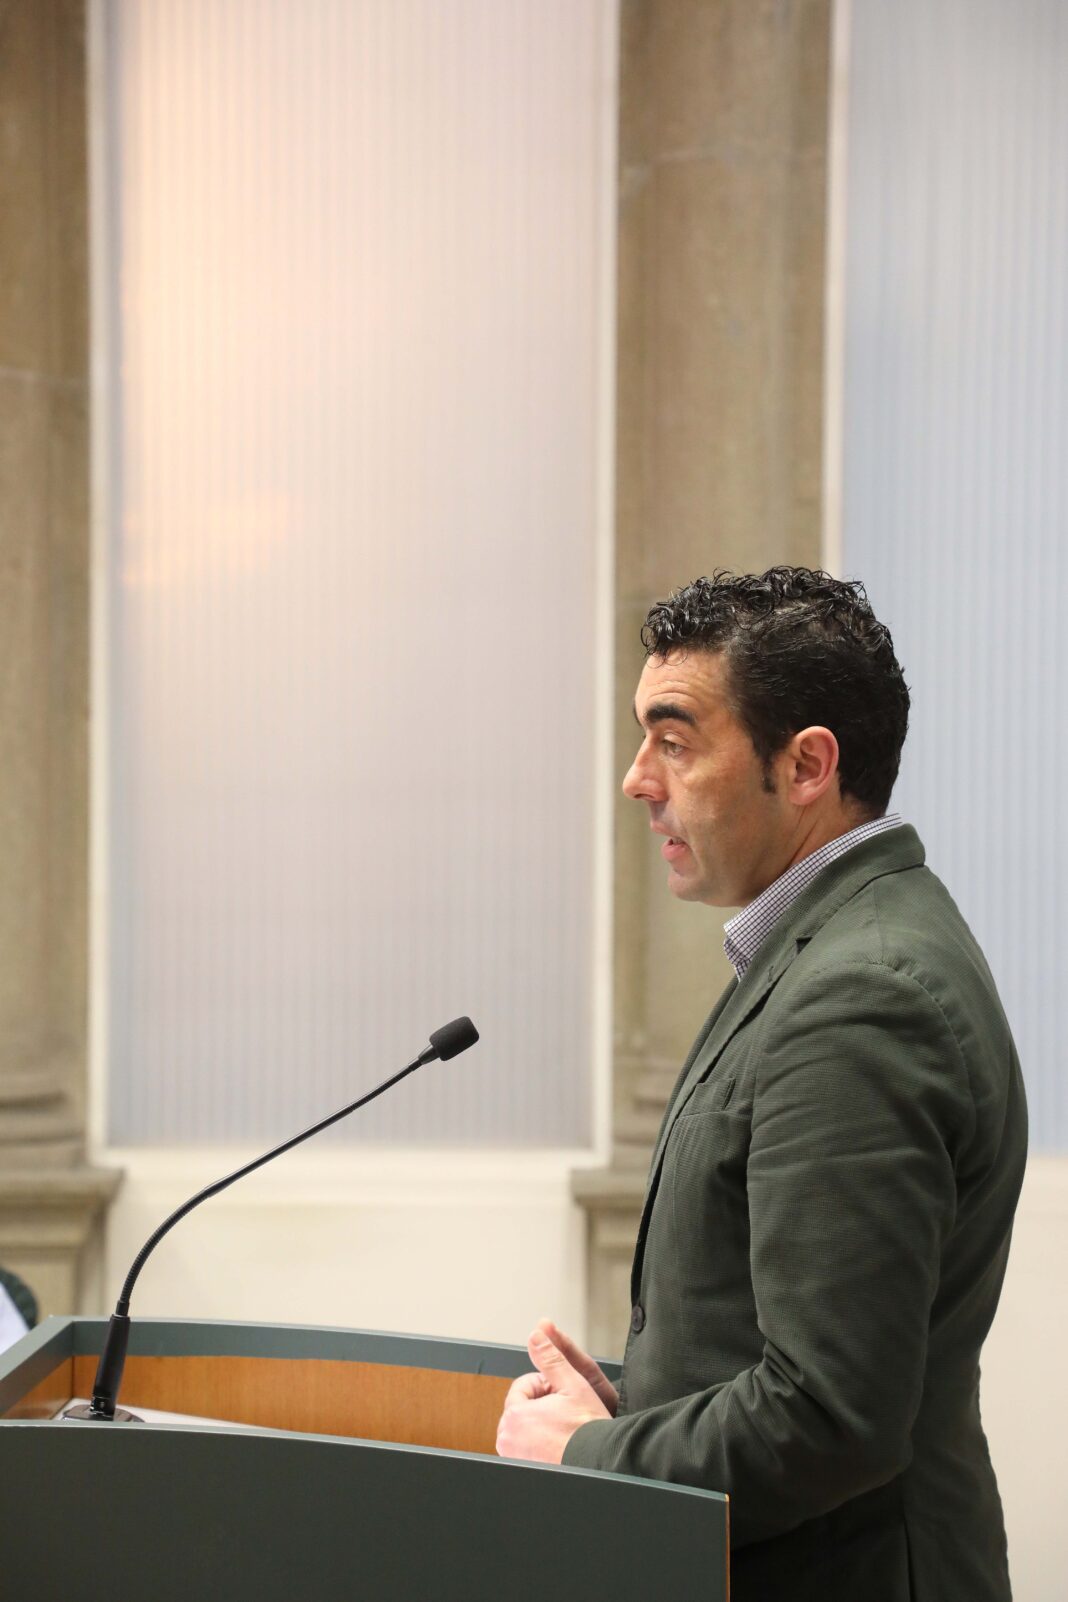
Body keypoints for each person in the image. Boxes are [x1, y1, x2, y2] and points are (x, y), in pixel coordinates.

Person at [496, 568, 1027, 1602]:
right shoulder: (832, 943)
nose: (637, 780)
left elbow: (829, 1413)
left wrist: (591, 1454)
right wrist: (639, 1406)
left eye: (675, 740)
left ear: (807, 765)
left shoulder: (862, 994)